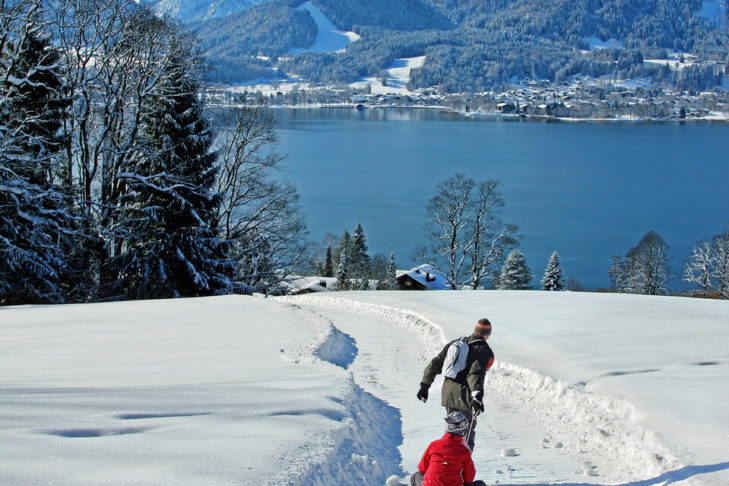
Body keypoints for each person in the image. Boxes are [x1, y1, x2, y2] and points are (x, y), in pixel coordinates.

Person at [416, 318, 495, 451]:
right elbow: (475, 374)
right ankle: (460, 470)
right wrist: (477, 396)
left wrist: (425, 385)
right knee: (465, 437)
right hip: (464, 398)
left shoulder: (457, 343)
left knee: (451, 434)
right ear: (487, 335)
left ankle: (444, 465)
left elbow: (436, 363)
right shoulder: (483, 350)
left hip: (449, 395)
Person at [410, 411, 487, 486]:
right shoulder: (464, 450)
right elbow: (469, 478)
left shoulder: (433, 445)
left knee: (415, 476)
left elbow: (422, 468)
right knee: (480, 484)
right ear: (464, 430)